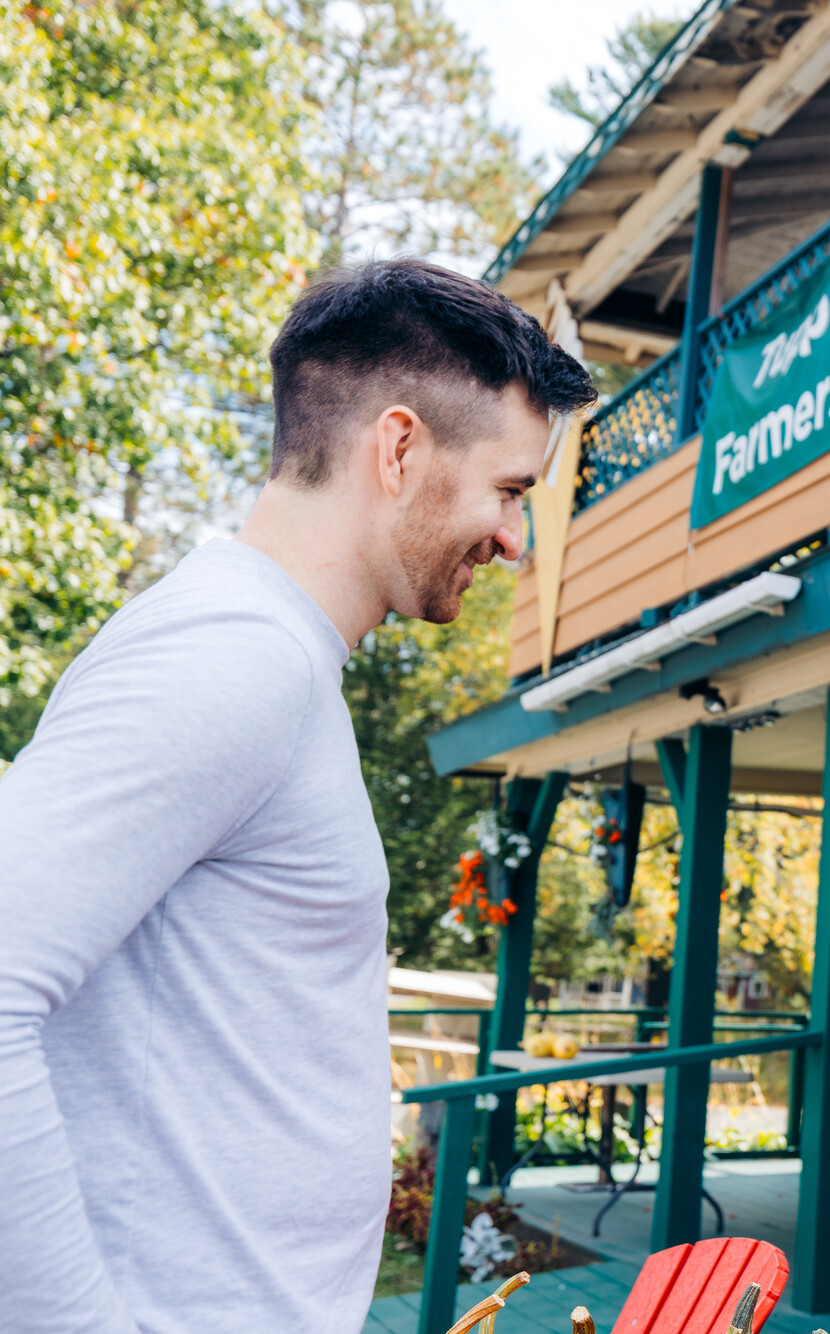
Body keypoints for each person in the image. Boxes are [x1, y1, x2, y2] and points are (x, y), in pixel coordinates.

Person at [0, 260, 596, 1334]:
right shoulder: (232, 655)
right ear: (400, 447)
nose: (516, 538)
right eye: (510, 490)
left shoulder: (278, 660)